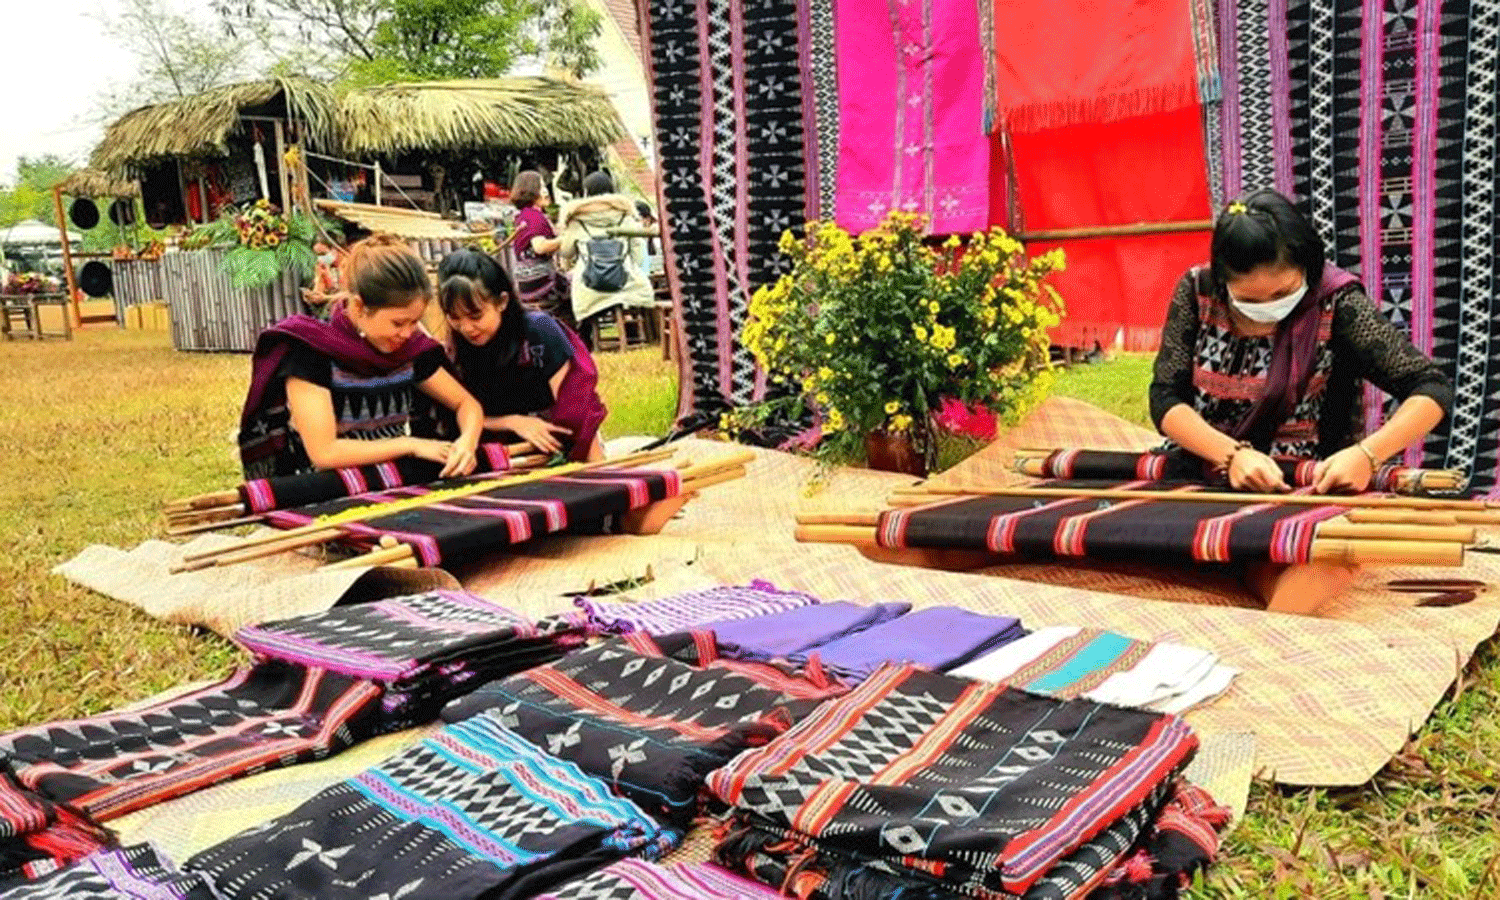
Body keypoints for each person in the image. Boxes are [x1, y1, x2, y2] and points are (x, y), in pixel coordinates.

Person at [1150, 188, 1452, 614]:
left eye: (1281, 295)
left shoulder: (1336, 304)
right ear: (1223, 282)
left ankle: (1265, 612)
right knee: (1152, 539)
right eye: (1249, 301)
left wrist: (1366, 456)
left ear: (1308, 269)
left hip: (1303, 485)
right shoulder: (1197, 292)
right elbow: (1166, 398)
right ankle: (1246, 567)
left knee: (1327, 559)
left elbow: (1430, 388)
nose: (1268, 309)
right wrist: (1232, 456)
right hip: (1206, 472)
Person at [238, 234, 485, 480]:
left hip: (393, 482)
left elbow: (467, 405)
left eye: (415, 322)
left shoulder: (411, 352)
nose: (408, 333)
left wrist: (467, 443)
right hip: (328, 490)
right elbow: (324, 453)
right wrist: (410, 445)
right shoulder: (311, 352)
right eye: (398, 323)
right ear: (358, 306)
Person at [436, 248, 607, 461]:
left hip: (557, 444)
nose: (466, 328)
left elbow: (576, 409)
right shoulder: (452, 352)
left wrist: (597, 471)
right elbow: (453, 417)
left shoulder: (539, 332)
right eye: (454, 318)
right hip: (499, 455)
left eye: (475, 316)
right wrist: (513, 422)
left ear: (502, 302)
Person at [555, 171, 655, 347]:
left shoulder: (577, 220)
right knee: (637, 290)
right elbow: (638, 249)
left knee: (580, 296)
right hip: (626, 284)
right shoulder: (626, 215)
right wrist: (635, 268)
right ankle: (635, 334)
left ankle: (586, 341)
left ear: (586, 192)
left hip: (589, 288)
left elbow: (566, 252)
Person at [507, 170, 568, 323]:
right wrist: (566, 239)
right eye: (541, 187)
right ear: (531, 190)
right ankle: (578, 338)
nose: (546, 191)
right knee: (581, 287)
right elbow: (539, 247)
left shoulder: (523, 215)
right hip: (542, 283)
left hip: (525, 284)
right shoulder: (535, 217)